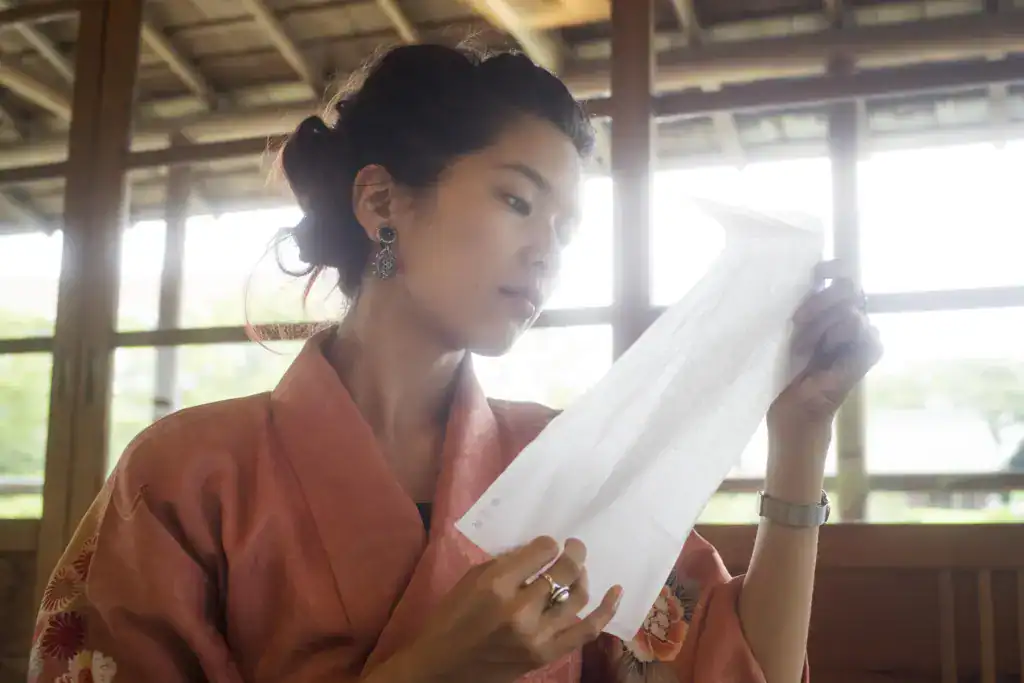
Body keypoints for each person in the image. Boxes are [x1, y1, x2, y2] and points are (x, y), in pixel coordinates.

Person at [28, 44, 881, 683]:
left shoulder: (559, 462)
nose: (547, 253)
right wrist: (435, 668)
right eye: (517, 200)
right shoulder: (184, 475)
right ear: (380, 201)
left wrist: (801, 435)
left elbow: (740, 668)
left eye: (566, 230)